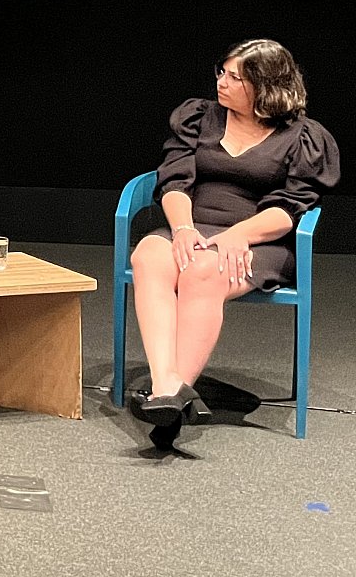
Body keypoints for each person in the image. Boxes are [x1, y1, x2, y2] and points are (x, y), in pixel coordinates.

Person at [128, 38, 339, 447]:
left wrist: (237, 235)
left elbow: (291, 208)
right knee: (150, 255)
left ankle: (167, 399)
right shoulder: (199, 118)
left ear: (266, 86)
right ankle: (167, 390)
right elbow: (173, 182)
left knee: (204, 272)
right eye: (221, 72)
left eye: (235, 77)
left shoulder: (303, 137)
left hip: (259, 241)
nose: (221, 83)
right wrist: (183, 229)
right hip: (193, 224)